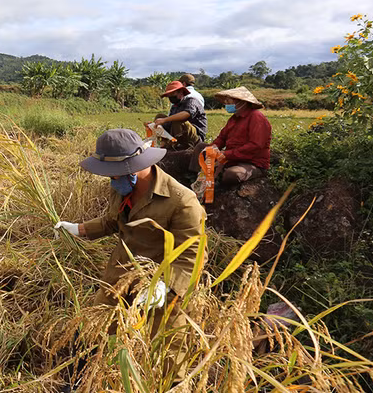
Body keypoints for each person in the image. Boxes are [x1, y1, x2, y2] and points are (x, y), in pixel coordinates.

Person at [54, 129, 206, 332]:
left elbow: (193, 255)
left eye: (113, 173)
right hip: (118, 277)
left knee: (163, 354)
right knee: (97, 332)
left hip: (159, 291)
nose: (110, 179)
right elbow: (112, 221)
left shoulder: (181, 201)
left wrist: (165, 286)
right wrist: (78, 229)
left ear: (131, 168)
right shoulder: (121, 186)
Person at [189, 87, 271, 185]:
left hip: (252, 162)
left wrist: (227, 154)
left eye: (229, 101)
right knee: (201, 147)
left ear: (242, 102)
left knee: (232, 174)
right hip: (232, 158)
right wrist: (214, 147)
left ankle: (218, 185)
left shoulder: (256, 118)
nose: (226, 104)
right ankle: (196, 178)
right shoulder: (234, 119)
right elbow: (222, 137)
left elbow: (255, 145)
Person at [152, 81, 207, 150]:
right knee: (160, 116)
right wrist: (153, 125)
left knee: (178, 120)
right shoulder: (175, 106)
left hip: (195, 138)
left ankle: (178, 146)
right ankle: (166, 144)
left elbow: (186, 114)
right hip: (178, 134)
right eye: (169, 95)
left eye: (172, 93)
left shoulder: (192, 101)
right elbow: (168, 125)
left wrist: (165, 120)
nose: (171, 97)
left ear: (181, 92)